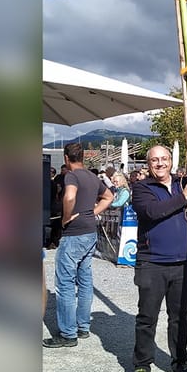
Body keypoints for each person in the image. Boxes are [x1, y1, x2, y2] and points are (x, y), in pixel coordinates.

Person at [128, 145, 187, 372]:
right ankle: (142, 365)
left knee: (180, 317)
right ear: (148, 164)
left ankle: (180, 361)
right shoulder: (142, 188)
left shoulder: (183, 181)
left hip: (183, 262)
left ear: (171, 161)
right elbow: (152, 212)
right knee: (147, 317)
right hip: (152, 262)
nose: (160, 164)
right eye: (154, 160)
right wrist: (183, 197)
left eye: (164, 159)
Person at [43, 143, 114, 348]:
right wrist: (94, 212)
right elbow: (109, 196)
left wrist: (65, 218)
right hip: (90, 231)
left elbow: (70, 196)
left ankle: (68, 333)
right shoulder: (92, 177)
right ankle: (83, 326)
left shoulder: (71, 176)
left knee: (65, 283)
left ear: (66, 158)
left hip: (74, 233)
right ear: (82, 157)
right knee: (84, 280)